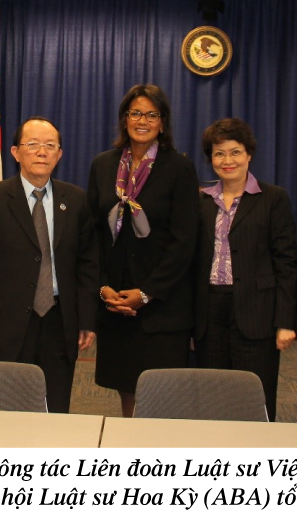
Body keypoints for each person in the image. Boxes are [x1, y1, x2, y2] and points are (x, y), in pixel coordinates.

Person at [0, 116, 98, 413]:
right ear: (15, 152)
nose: (42, 152)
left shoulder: (75, 200)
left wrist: (87, 319)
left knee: (56, 410)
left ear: (59, 154)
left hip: (59, 322)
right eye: (33, 144)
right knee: (6, 410)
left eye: (50, 145)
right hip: (5, 325)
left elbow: (87, 265)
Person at [87, 84, 199, 418]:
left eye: (152, 114)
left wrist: (147, 292)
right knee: (127, 389)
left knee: (161, 394)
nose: (143, 120)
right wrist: (103, 287)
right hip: (116, 301)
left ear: (162, 123)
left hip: (162, 304)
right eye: (135, 113)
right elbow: (92, 234)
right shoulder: (103, 165)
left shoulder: (179, 168)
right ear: (124, 119)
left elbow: (184, 242)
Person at [194, 118, 297, 422]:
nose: (228, 160)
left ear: (249, 154)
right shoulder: (201, 200)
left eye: (235, 152)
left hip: (256, 312)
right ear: (211, 159)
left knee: (254, 400)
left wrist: (285, 321)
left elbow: (286, 263)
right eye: (219, 153)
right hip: (209, 312)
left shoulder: (273, 198)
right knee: (212, 398)